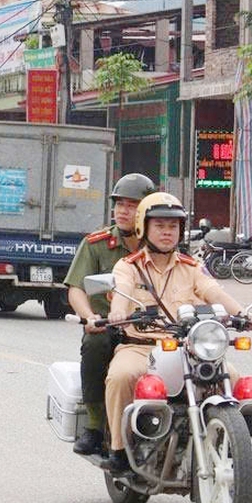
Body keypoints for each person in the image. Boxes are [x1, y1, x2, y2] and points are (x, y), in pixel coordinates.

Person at [103, 192, 252, 474]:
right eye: (160, 225)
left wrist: (243, 315)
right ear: (144, 228)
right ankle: (118, 450)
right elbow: (122, 291)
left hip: (188, 348)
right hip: (141, 347)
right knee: (121, 376)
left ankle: (233, 446)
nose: (167, 232)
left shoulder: (192, 267)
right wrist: (118, 310)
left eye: (173, 226)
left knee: (233, 377)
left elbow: (214, 291)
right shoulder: (128, 266)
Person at [63, 173, 156, 455]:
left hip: (153, 328)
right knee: (94, 345)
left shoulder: (161, 244)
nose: (123, 211)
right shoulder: (97, 244)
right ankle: (94, 425)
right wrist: (89, 316)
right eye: (119, 205)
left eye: (132, 205)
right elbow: (76, 288)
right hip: (109, 327)